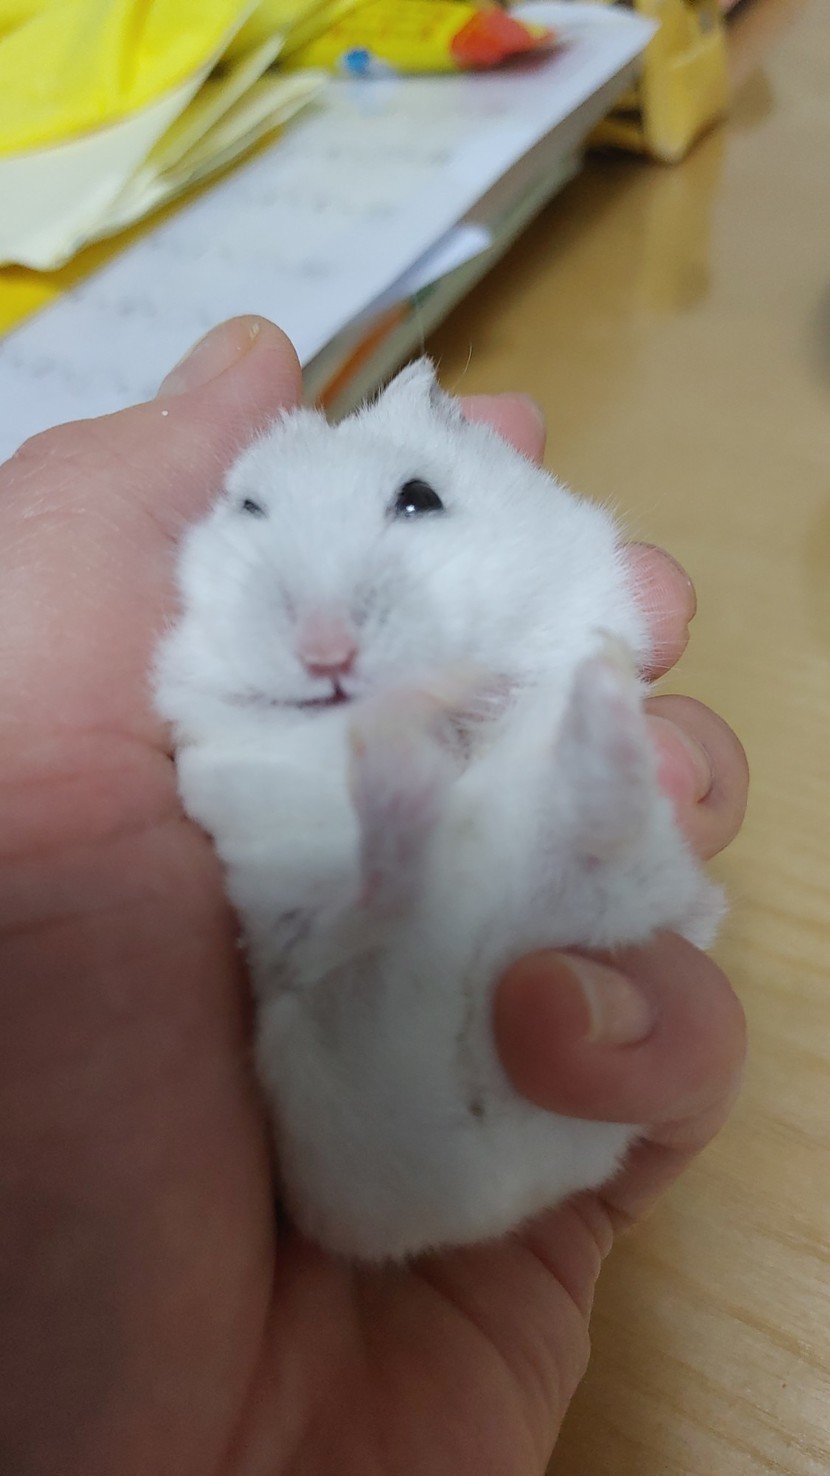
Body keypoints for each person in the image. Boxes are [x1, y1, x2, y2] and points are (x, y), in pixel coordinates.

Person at [0, 317, 748, 1475]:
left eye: (411, 503)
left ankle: (533, 848)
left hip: (529, 1090)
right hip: (361, 1136)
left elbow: (580, 598)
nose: (326, 637)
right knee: (333, 985)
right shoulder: (185, 699)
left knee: (594, 846)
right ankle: (412, 887)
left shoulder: (542, 560)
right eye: (252, 514)